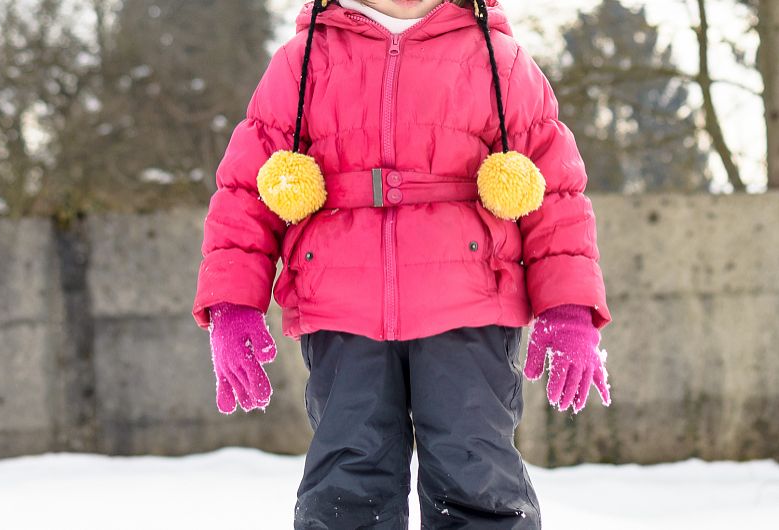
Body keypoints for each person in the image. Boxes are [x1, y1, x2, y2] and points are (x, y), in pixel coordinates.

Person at [192, 0, 613, 528]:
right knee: (347, 486)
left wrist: (569, 306)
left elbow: (558, 195)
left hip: (470, 307)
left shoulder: (497, 60)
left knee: (476, 476)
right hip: (342, 311)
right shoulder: (303, 62)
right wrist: (233, 303)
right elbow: (246, 191)